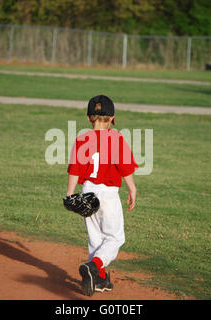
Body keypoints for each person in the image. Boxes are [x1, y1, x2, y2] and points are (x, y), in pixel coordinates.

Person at [66, 94, 138, 296]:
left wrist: (70, 194)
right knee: (115, 238)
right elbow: (125, 168)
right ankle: (94, 266)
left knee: (95, 239)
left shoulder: (82, 139)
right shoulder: (116, 138)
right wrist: (132, 188)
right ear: (113, 118)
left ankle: (99, 279)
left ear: (88, 118)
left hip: (88, 191)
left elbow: (75, 170)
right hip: (108, 194)